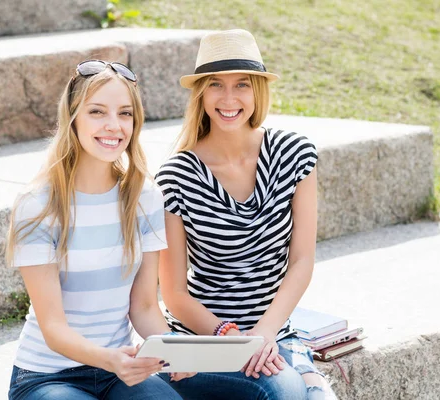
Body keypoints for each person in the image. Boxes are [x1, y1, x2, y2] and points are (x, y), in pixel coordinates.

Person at [155, 30, 337, 399]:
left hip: (274, 334)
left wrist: (265, 333)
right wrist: (234, 339)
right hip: (204, 338)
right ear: (201, 94)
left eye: (242, 84)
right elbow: (173, 293)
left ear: (258, 90)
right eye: (216, 85)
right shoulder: (176, 177)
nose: (229, 98)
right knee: (285, 393)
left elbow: (301, 260)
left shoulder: (294, 154)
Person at [5, 60, 193, 400]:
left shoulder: (145, 197)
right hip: (47, 377)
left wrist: (173, 350)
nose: (114, 126)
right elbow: (54, 328)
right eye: (97, 112)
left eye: (125, 113)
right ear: (72, 117)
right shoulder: (37, 205)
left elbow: (145, 307)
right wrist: (110, 359)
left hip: (119, 373)